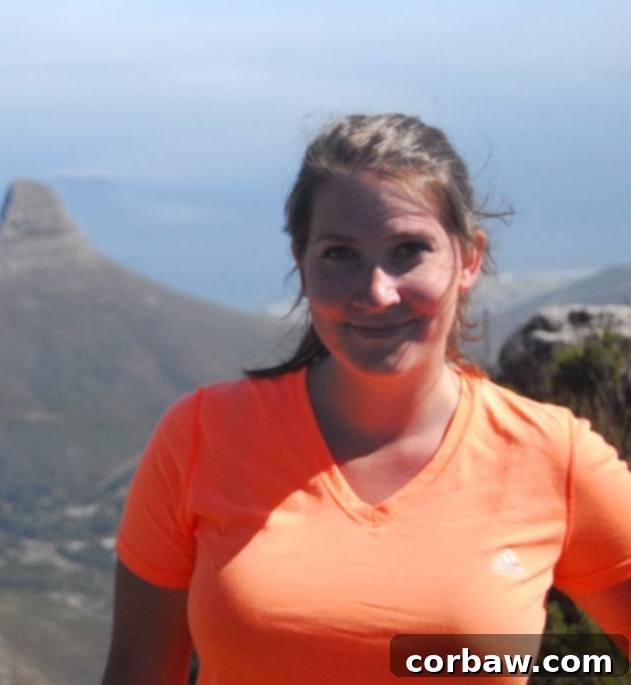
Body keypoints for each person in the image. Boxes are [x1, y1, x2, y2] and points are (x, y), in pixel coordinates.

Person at [101, 113, 631, 684]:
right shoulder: (201, 434)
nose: (377, 292)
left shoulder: (553, 457)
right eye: (339, 254)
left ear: (468, 259)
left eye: (408, 250)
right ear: (301, 265)